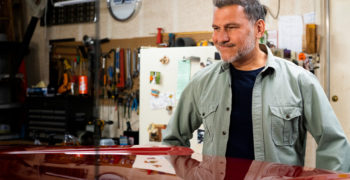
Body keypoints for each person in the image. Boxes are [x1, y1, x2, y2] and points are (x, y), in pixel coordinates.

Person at [162, 0, 350, 173]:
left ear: (259, 28)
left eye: (231, 27)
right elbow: (172, 141)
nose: (220, 38)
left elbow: (333, 143)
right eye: (216, 28)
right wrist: (194, 175)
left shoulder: (300, 81)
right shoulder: (201, 83)